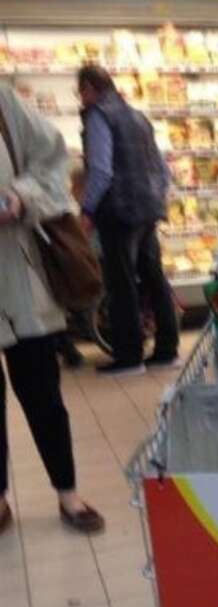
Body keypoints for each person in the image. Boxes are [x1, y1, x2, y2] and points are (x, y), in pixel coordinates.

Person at [0, 85, 104, 535]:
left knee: (42, 392)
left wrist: (21, 197)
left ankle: (67, 492)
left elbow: (53, 159)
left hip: (21, 278)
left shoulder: (3, 101)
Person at [77, 64, 179, 375]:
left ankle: (129, 356)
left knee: (121, 283)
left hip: (119, 211)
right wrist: (156, 198)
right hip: (147, 208)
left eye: (80, 91)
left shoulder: (99, 116)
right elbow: (162, 170)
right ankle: (166, 351)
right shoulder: (137, 116)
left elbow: (101, 170)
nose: (80, 99)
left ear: (91, 88)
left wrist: (88, 210)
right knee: (153, 278)